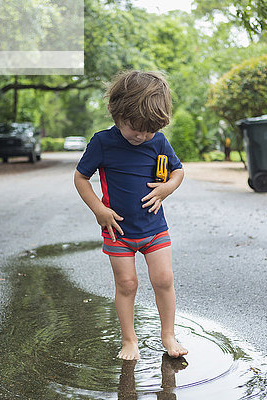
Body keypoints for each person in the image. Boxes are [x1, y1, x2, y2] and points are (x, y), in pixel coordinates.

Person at [74, 70, 188, 361]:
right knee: (127, 284)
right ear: (117, 114)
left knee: (164, 279)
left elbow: (178, 171)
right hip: (118, 231)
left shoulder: (158, 141)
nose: (142, 135)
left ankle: (168, 335)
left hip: (154, 227)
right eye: (135, 127)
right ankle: (129, 339)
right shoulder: (102, 142)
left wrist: (166, 189)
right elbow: (80, 178)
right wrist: (99, 210)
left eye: (149, 129)